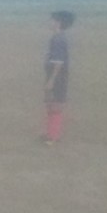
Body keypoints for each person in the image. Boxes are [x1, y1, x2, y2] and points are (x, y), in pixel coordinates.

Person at [43, 10, 74, 145]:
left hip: (58, 77)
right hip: (54, 76)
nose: (50, 22)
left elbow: (58, 63)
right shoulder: (57, 38)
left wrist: (51, 80)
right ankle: (50, 133)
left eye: (52, 20)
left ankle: (53, 137)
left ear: (58, 23)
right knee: (50, 104)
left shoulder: (58, 40)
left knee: (55, 105)